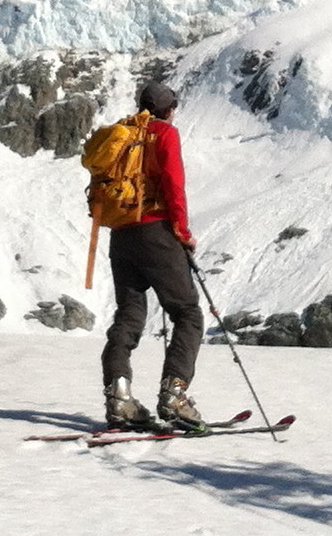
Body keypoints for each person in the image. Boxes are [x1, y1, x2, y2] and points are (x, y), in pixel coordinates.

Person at [101, 80, 206, 430]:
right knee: (187, 312)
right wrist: (183, 234)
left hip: (121, 234)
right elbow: (174, 186)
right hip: (156, 232)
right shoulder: (165, 133)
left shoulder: (123, 133)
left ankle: (119, 396)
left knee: (129, 315)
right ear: (168, 109)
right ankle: (174, 395)